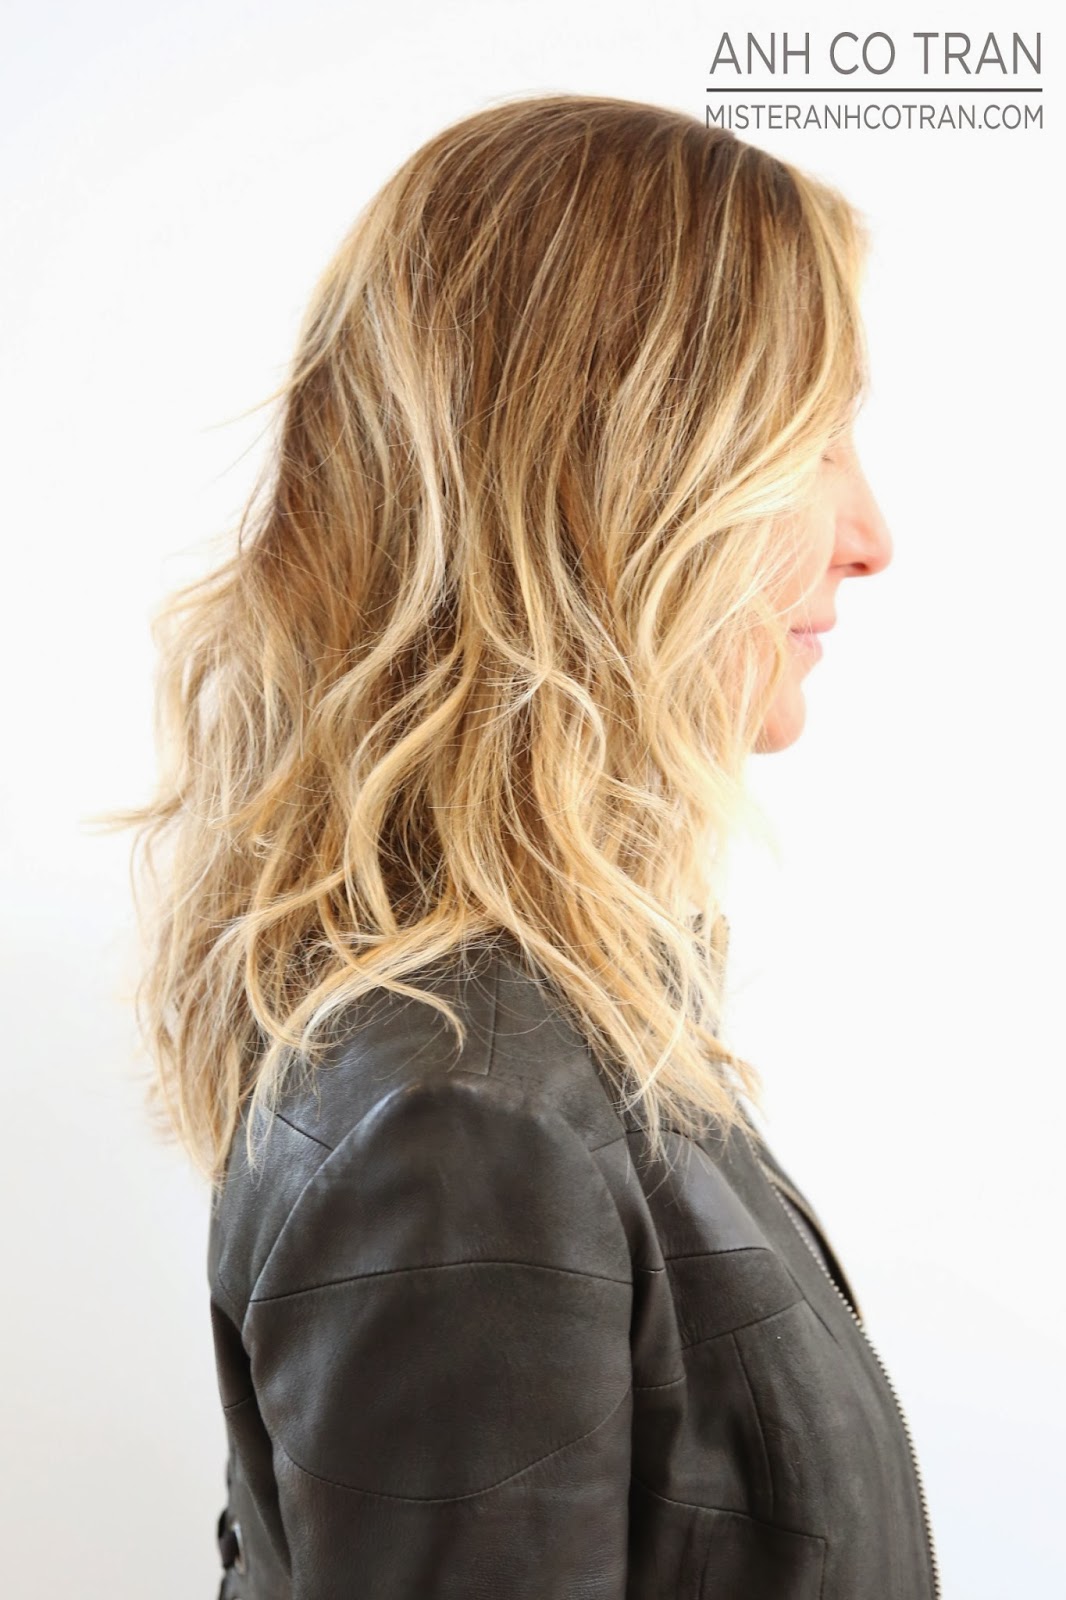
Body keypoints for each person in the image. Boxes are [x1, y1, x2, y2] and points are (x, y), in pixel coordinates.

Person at [115, 92, 937, 1597]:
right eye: (811, 441)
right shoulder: (466, 1118)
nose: (872, 535)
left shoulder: (542, 1047)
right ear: (621, 482)